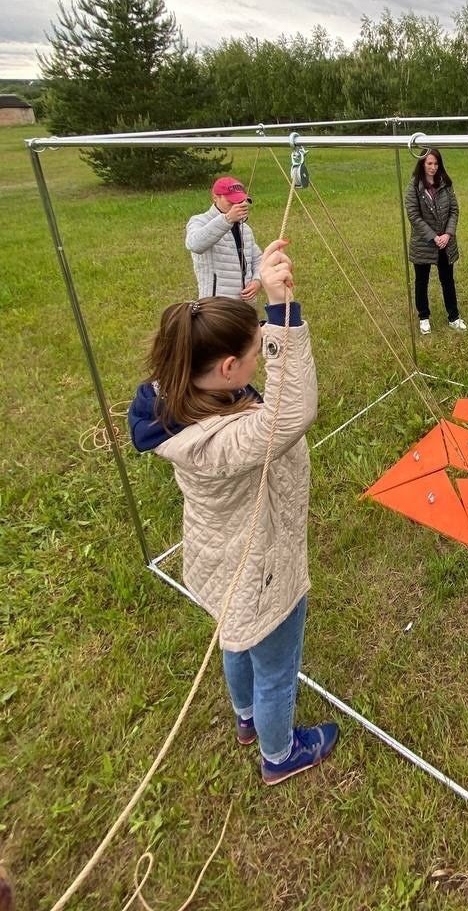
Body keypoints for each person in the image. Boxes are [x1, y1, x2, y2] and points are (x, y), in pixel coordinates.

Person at [128, 238, 339, 785]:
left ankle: (245, 719)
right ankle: (278, 752)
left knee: (237, 637)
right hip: (260, 567)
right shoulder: (229, 439)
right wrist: (284, 313)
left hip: (216, 558)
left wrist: (267, 301)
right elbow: (294, 409)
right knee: (275, 667)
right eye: (254, 354)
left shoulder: (176, 395)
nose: (261, 357)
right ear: (227, 368)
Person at [404, 148, 467, 334]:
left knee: (447, 280)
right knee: (421, 281)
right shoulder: (414, 186)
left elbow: (454, 211)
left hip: (445, 243)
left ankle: (454, 317)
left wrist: (448, 234)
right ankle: (424, 317)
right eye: (429, 163)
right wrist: (434, 236)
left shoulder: (446, 184)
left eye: (436, 163)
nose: (433, 167)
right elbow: (414, 216)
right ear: (422, 164)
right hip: (424, 243)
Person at [185, 176, 262, 300]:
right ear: (215, 197)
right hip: (216, 306)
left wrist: (257, 280)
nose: (236, 205)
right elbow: (194, 244)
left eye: (240, 201)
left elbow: (258, 259)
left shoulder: (245, 229)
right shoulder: (199, 220)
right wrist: (227, 219)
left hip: (246, 305)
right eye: (231, 202)